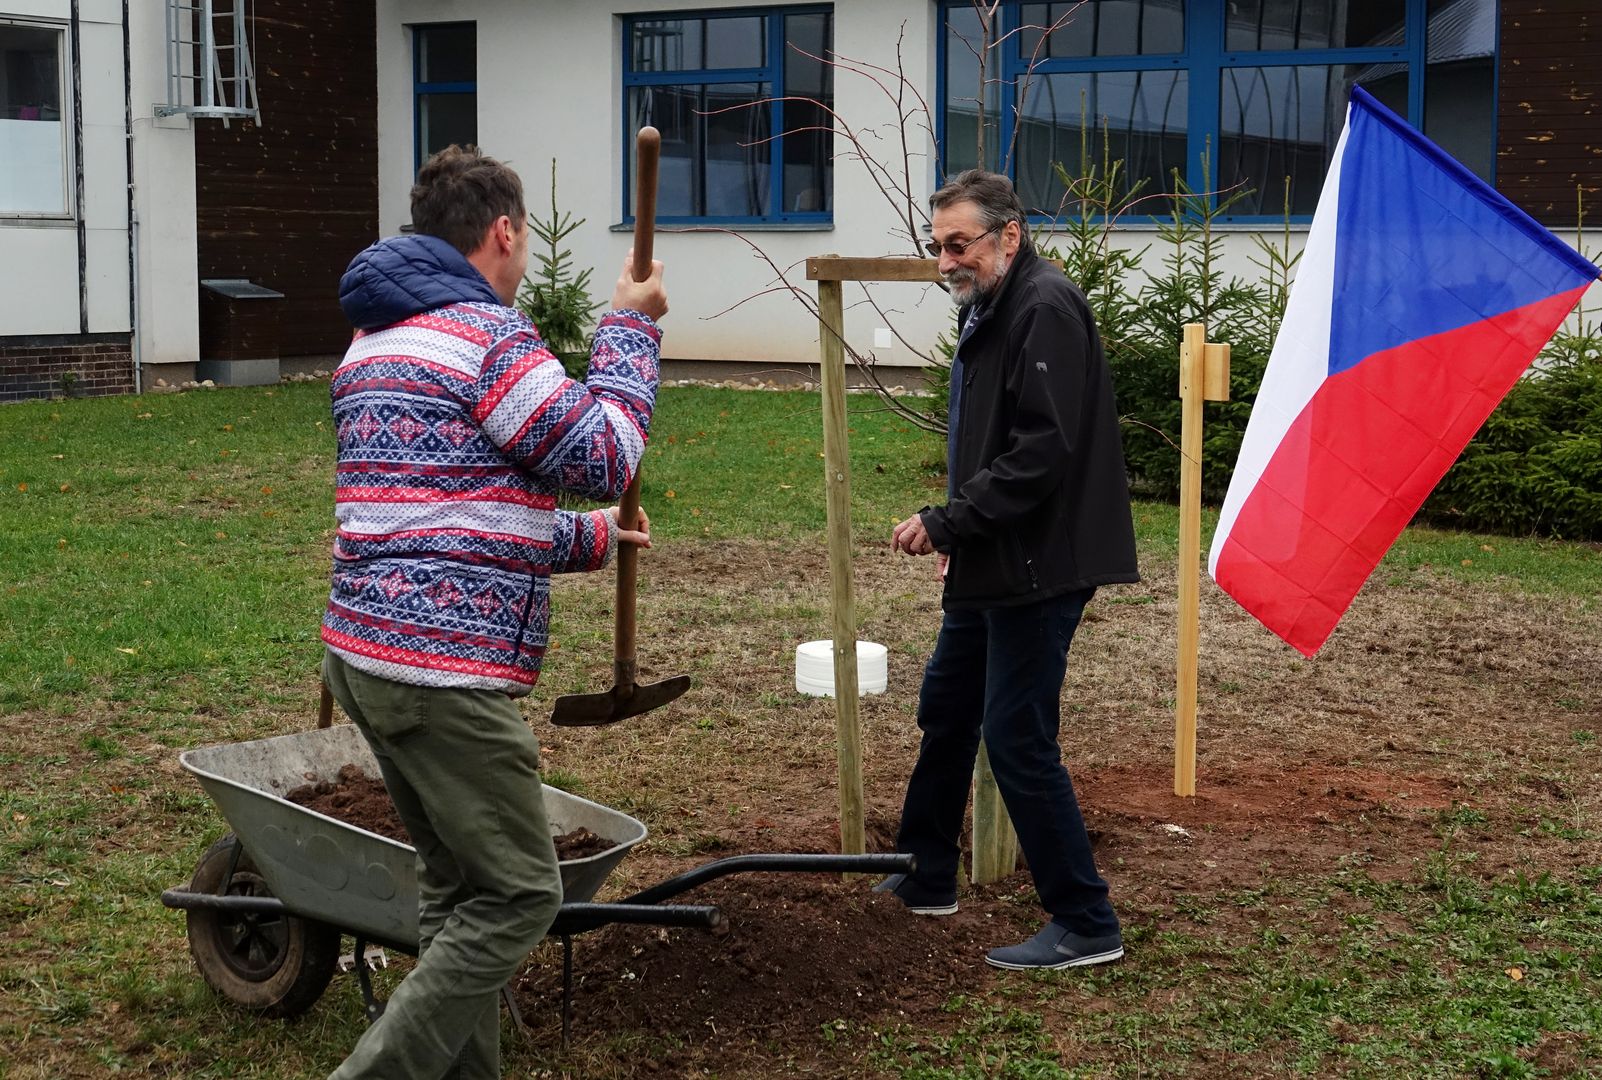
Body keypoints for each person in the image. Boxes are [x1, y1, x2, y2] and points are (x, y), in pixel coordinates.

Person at [320, 144, 668, 1078]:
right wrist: (628, 331)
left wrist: (590, 542)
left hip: (365, 657)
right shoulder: (482, 335)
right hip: (442, 679)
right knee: (519, 896)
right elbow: (600, 454)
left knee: (455, 889)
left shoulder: (375, 341)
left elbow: (440, 511)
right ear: (504, 232)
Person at [879, 169, 1139, 971]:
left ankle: (1086, 920)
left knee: (1017, 736)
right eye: (937, 246)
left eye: (960, 244)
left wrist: (950, 520)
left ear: (1010, 235)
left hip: (1042, 562)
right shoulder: (993, 305)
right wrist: (966, 535)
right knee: (947, 706)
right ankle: (926, 872)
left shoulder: (1043, 307)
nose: (945, 262)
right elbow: (997, 441)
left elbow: (1041, 452)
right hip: (995, 553)